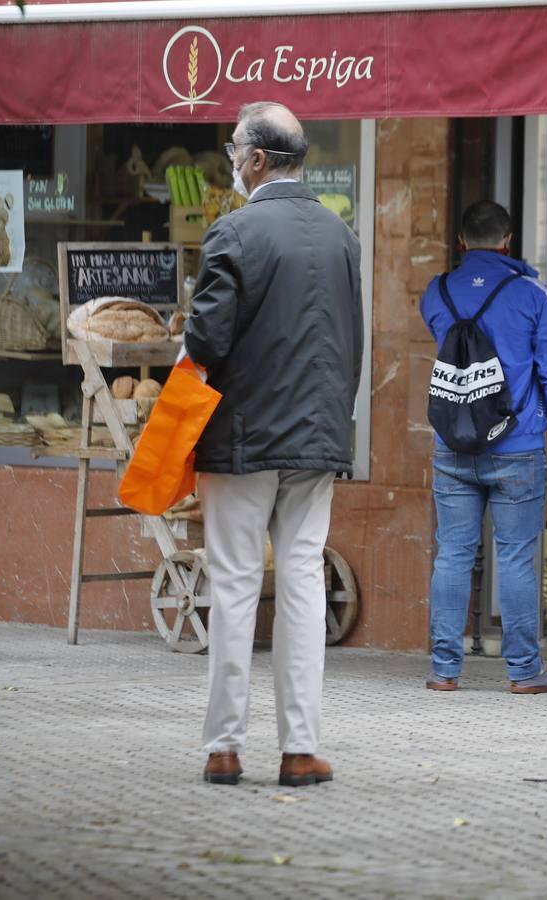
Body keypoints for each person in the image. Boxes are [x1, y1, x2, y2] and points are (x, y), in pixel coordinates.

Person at [185, 102, 363, 788]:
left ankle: (224, 749)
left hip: (241, 438)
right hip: (316, 438)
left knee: (232, 585)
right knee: (300, 581)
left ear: (258, 159)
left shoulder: (233, 233)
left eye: (235, 148)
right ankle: (300, 750)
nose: (231, 159)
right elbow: (351, 340)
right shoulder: (339, 235)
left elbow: (206, 341)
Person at [420, 201, 547, 695]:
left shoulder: (437, 292)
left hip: (453, 442)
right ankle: (524, 672)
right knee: (514, 558)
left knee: (451, 555)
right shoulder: (532, 296)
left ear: (462, 242)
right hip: (517, 444)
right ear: (509, 242)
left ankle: (444, 670)